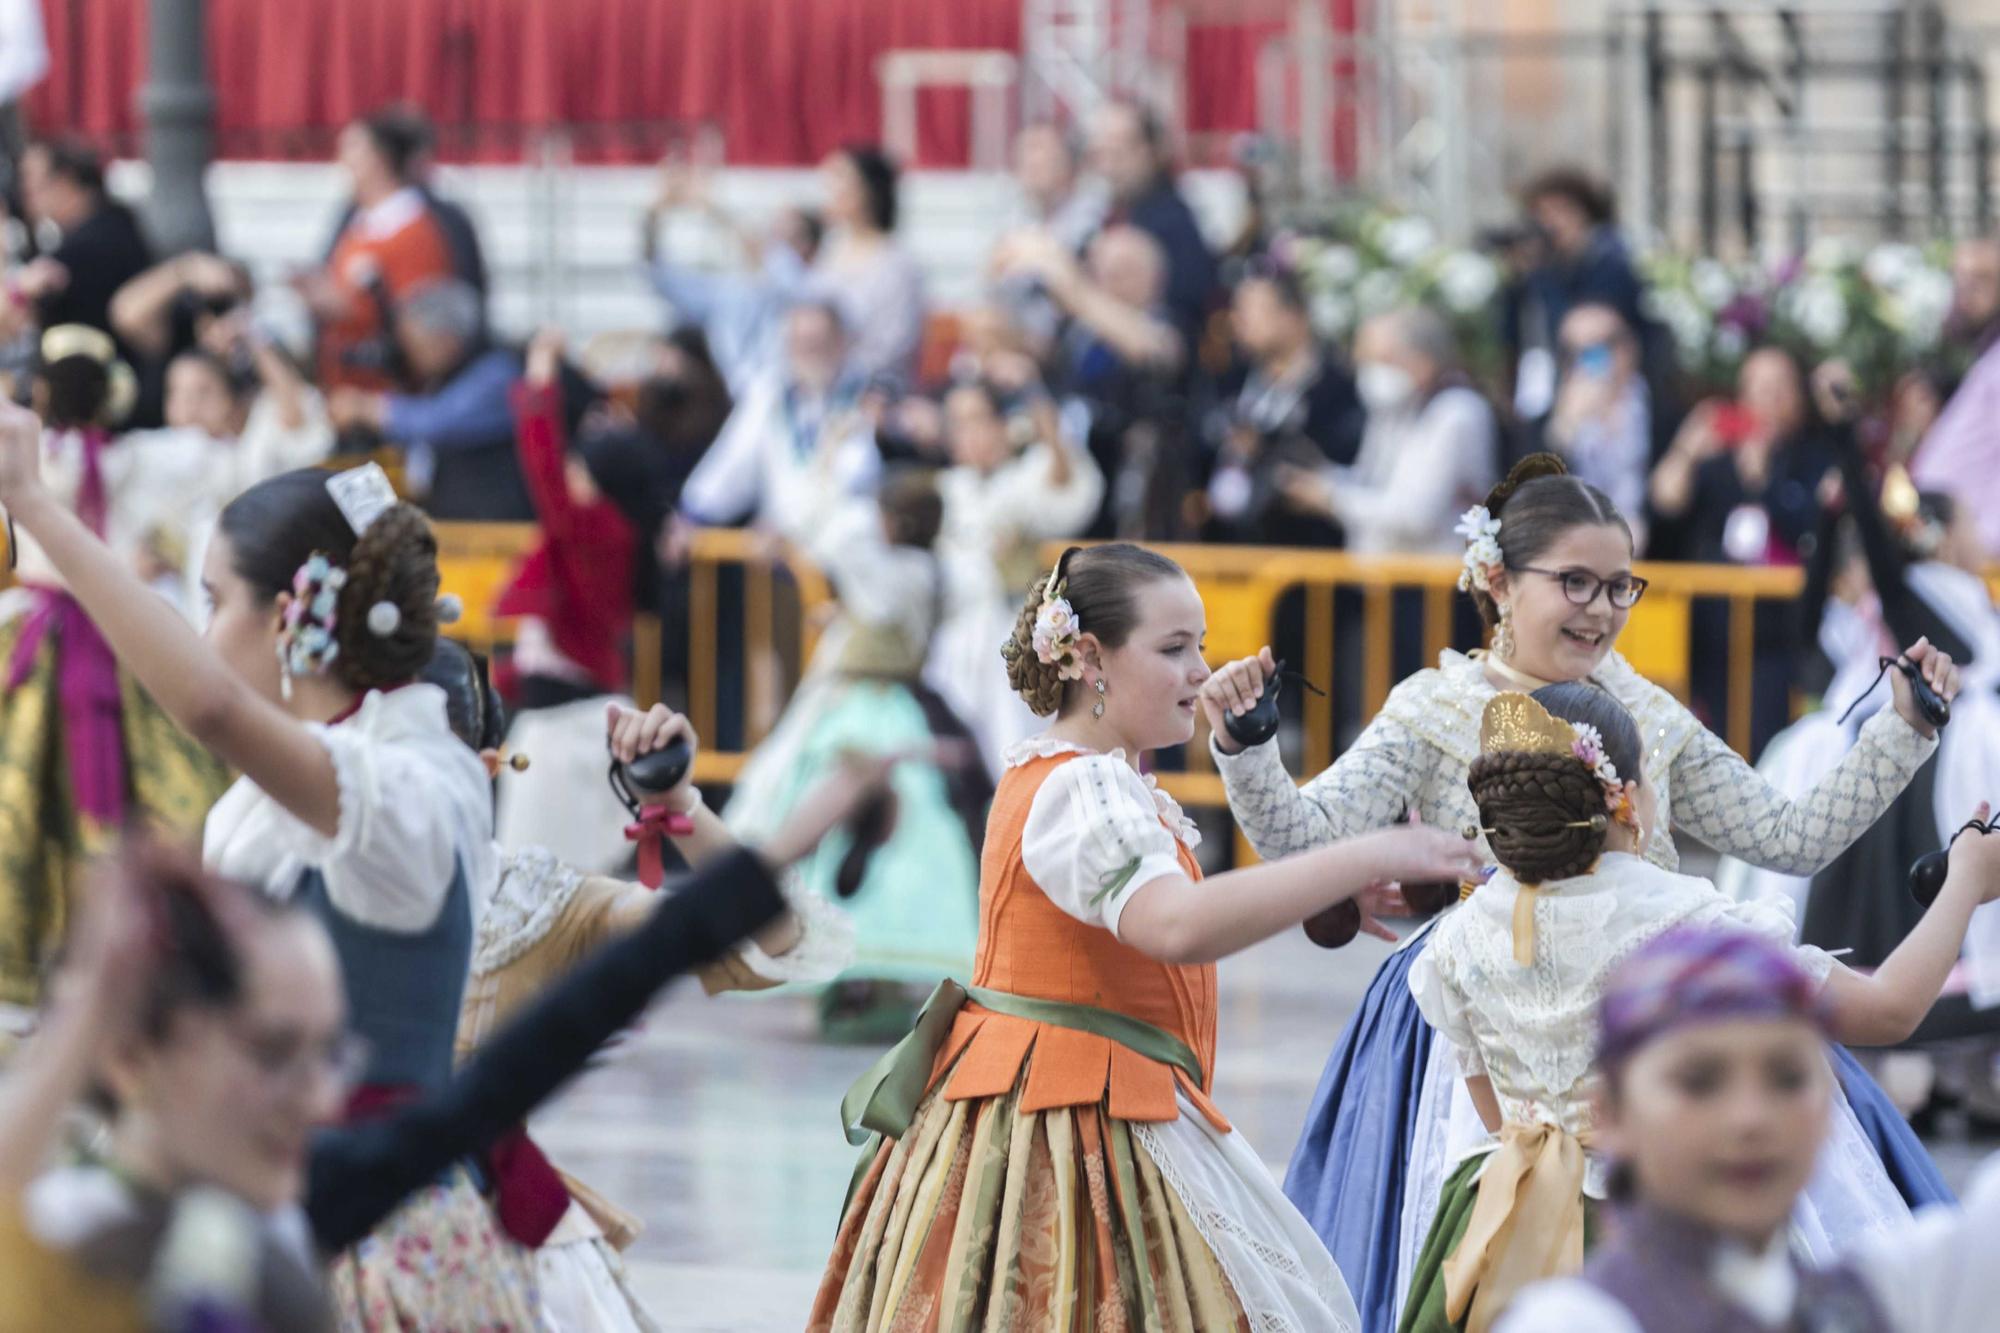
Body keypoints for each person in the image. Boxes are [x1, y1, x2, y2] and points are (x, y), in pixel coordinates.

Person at [1203, 453, 1955, 1331]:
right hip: (1483, 1036)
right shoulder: (1433, 708)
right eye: (1574, 582)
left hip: (1662, 1008)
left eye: (1617, 586)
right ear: (1497, 580)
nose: (1600, 608)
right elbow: (1302, 838)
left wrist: (1902, 734)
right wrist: (1248, 745)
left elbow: (1787, 837)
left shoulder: (1649, 714)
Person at [810, 541, 1485, 1331]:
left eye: (1199, 645)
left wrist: (1331, 879)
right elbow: (1174, 925)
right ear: (1089, 657)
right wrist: (1368, 851)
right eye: (1173, 649)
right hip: (1063, 1120)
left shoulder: (1086, 778)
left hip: (1076, 1100)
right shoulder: (1083, 784)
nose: (1200, 671)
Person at [0, 756, 887, 1330]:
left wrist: (756, 862)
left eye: (327, 1054)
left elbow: (528, 1057)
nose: (316, 1097)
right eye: (272, 1051)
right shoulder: (48, 1237)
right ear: (131, 1053)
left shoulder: (291, 1210)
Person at [0, 426, 544, 1325]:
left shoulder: (407, 780)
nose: (202, 630)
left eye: (213, 600)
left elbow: (208, 706)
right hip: (271, 1208)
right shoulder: (320, 777)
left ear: (294, 614)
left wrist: (40, 509)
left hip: (376, 1234)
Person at [1398, 686, 1994, 1333]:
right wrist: (1967, 880)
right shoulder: (1687, 925)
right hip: (1660, 1223)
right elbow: (1889, 1010)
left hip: (1501, 1224)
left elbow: (1497, 1117)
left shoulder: (1461, 935)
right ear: (1625, 799)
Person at [425, 643, 850, 1332]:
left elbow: (768, 940)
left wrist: (676, 800)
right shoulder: (286, 875)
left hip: (491, 1251)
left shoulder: (525, 905)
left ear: (478, 770)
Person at [1721, 364, 2000, 1122]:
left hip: (1937, 752)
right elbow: (1828, 608)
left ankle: (1961, 1072)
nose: (1983, 530)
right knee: (1875, 909)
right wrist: (1844, 452)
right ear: (1938, 535)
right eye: (1972, 520)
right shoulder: (1912, 599)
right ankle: (1904, 1057)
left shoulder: (1957, 600)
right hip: (1895, 757)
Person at [1499, 924, 2000, 1333]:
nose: (1751, 1118)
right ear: (1611, 1114)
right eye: (1699, 1082)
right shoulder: (1572, 1323)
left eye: (1788, 1078)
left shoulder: (1887, 1295)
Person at [0, 326, 229, 1011]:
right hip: (121, 636)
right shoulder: (142, 459)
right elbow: (220, 457)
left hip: (35, 635)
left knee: (26, 794)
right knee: (141, 793)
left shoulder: (32, 457)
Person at [723, 470, 985, 1040]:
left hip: (865, 705)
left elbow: (831, 536)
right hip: (911, 704)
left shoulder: (889, 571)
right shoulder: (943, 573)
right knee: (922, 831)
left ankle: (847, 959)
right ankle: (885, 972)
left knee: (838, 823)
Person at [487, 328, 674, 872]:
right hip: (561, 716)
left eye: (581, 470)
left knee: (542, 879)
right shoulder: (614, 533)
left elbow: (543, 471)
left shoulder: (600, 533)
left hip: (564, 730)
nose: (568, 475)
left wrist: (541, 384)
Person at [927, 359, 1106, 777]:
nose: (968, 434)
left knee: (1011, 756)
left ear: (1002, 423)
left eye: (978, 420)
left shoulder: (1025, 478)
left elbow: (1069, 493)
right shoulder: (944, 491)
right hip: (948, 643)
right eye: (957, 423)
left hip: (1009, 644)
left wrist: (1037, 403)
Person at [1649, 344, 1831, 742]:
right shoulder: (1715, 460)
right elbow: (1665, 503)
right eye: (1759, 387)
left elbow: (1815, 530)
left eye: (1781, 386)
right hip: (1711, 636)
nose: (1770, 398)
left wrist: (1763, 482)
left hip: (1779, 641)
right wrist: (1687, 447)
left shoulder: (1815, 461)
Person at [1277, 306, 1497, 555]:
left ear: (1421, 358)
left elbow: (1416, 515)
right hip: (1383, 580)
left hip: (1432, 584)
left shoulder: (1457, 411)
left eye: (1382, 360)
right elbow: (1371, 482)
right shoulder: (1395, 409)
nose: (1371, 371)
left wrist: (1330, 498)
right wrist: (1321, 476)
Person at [327, 276, 533, 521]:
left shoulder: (499, 372)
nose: (410, 356)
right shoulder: (446, 376)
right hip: (462, 524)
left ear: (445, 339)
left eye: (415, 344)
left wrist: (367, 407)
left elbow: (440, 422)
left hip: (500, 531)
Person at [675, 299, 879, 541]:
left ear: (840, 342)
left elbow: (857, 477)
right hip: (783, 556)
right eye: (799, 342)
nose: (808, 352)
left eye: (817, 342)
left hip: (844, 544)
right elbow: (735, 459)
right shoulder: (770, 396)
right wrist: (691, 516)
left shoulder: (867, 396)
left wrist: (789, 528)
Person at [1204, 263, 1367, 547]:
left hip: (1308, 556)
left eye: (1251, 310)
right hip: (1232, 549)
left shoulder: (1338, 386)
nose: (1237, 321)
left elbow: (1342, 454)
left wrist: (1269, 449)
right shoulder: (1231, 377)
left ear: (1293, 316)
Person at [304, 110, 459, 392]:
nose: (344, 162)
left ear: (380, 159)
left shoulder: (414, 229)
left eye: (354, 150)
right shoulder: (357, 221)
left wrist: (350, 307)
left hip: (390, 386)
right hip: (343, 379)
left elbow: (420, 315)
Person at [642, 155, 822, 394]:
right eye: (773, 227)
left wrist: (712, 208)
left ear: (807, 245)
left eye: (783, 231)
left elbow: (775, 264)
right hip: (730, 403)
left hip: (783, 398)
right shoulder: (732, 289)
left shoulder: (809, 287)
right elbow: (662, 278)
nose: (772, 234)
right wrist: (654, 216)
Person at [1503, 167, 1647, 423]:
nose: (1550, 223)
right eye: (1542, 214)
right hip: (1547, 388)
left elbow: (1585, 328)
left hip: (1598, 392)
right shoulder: (1548, 268)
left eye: (1560, 211)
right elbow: (1511, 332)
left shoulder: (1608, 262)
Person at [11, 140, 154, 369]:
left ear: (66, 180)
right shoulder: (111, 223)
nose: (26, 197)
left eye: (32, 186)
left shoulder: (97, 240)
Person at [1086, 100, 1218, 348]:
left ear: (1151, 150)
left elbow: (1181, 324)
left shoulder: (1173, 221)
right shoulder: (1107, 214)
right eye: (1100, 154)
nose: (1109, 167)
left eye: (1119, 152)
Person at [800, 145, 925, 382]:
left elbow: (893, 345)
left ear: (868, 190)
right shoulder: (828, 252)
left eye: (840, 179)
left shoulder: (896, 265)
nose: (831, 190)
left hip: (874, 388)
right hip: (818, 382)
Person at [1912, 234, 2000, 559]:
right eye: (1959, 278)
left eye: (1982, 279)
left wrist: (1986, 552)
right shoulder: (1982, 359)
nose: (1966, 292)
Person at [1539, 302, 1652, 551]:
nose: (1586, 361)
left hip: (1654, 570)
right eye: (1571, 352)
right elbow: (1530, 496)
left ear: (1628, 348)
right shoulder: (1543, 422)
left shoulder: (1660, 412)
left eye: (1600, 347)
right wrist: (1565, 427)